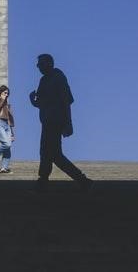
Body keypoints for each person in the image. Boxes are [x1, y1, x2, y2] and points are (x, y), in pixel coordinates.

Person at [29, 53, 92, 192]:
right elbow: (41, 103)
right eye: (38, 65)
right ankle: (45, 179)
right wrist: (33, 100)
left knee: (52, 153)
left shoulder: (58, 78)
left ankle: (79, 180)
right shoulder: (43, 80)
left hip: (56, 121)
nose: (39, 67)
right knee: (48, 152)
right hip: (47, 120)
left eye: (41, 64)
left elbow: (66, 101)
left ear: (49, 63)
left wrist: (68, 123)